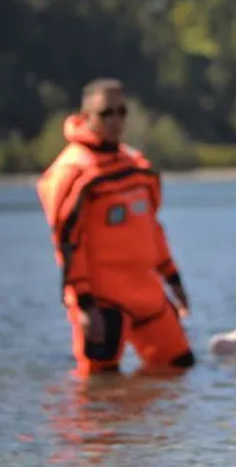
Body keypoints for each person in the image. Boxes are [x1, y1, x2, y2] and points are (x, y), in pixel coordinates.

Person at [36, 78, 195, 377]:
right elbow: (68, 243)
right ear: (86, 117)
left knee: (178, 369)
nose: (115, 121)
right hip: (102, 299)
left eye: (121, 112)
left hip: (147, 293)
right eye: (106, 113)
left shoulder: (135, 165)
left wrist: (173, 279)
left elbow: (152, 229)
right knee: (98, 385)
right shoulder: (73, 170)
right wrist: (83, 305)